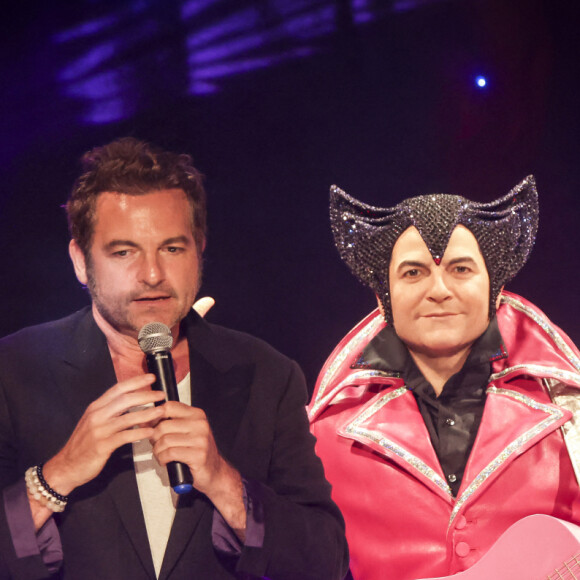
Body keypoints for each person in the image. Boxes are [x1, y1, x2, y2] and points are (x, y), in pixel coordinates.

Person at [0, 137, 349, 580]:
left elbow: (327, 563)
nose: (152, 274)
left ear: (199, 251)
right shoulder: (14, 371)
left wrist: (224, 482)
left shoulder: (266, 374)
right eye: (124, 251)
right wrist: (56, 477)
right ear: (80, 262)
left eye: (172, 248)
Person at [308, 176, 580, 579]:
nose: (439, 290)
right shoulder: (325, 434)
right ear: (383, 295)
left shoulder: (567, 408)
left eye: (460, 269)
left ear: (495, 286)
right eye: (414, 273)